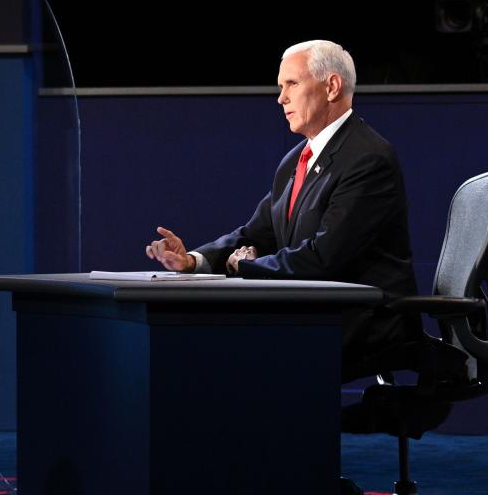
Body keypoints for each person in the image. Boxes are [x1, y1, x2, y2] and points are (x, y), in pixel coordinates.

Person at [145, 40, 421, 379]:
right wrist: (194, 260)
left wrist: (247, 267)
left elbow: (324, 257)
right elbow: (256, 233)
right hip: (314, 310)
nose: (281, 98)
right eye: (280, 87)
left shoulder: (368, 158)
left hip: (365, 319)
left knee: (229, 347)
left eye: (291, 83)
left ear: (331, 86)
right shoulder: (295, 160)